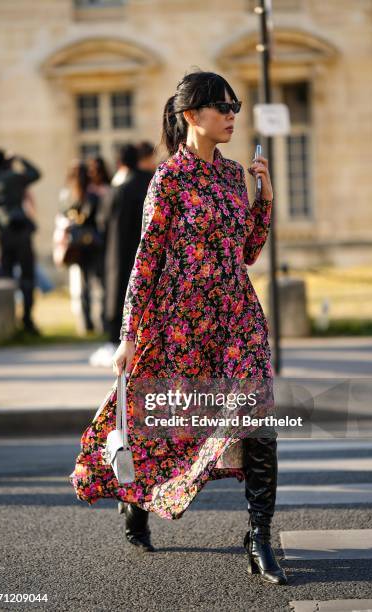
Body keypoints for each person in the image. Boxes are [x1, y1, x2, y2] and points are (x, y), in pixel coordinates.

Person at [70, 70, 287, 585]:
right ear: (191, 115)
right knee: (161, 424)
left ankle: (259, 536)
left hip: (236, 318)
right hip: (179, 324)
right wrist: (128, 335)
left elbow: (247, 253)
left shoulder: (235, 175)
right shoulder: (167, 179)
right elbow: (146, 262)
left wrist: (265, 197)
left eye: (235, 105)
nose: (233, 114)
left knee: (259, 420)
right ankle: (136, 502)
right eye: (222, 106)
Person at [89, 144, 155, 367]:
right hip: (145, 252)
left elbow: (103, 222)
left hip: (116, 253)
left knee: (118, 294)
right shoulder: (150, 183)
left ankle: (116, 338)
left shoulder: (119, 190)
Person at [0, 149, 41, 335]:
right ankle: (27, 320)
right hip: (20, 233)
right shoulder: (12, 178)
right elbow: (35, 173)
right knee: (27, 278)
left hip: (1, 238)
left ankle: (5, 325)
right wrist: (19, 158)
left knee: (4, 277)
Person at [59, 160, 102, 333]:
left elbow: (64, 217)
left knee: (83, 285)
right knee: (98, 283)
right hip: (92, 243)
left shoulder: (68, 196)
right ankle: (102, 321)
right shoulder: (93, 196)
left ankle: (86, 323)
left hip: (77, 244)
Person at [87, 156, 113, 332]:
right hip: (100, 243)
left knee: (97, 284)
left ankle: (98, 321)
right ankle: (99, 321)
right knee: (101, 284)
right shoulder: (108, 190)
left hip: (96, 243)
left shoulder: (91, 192)